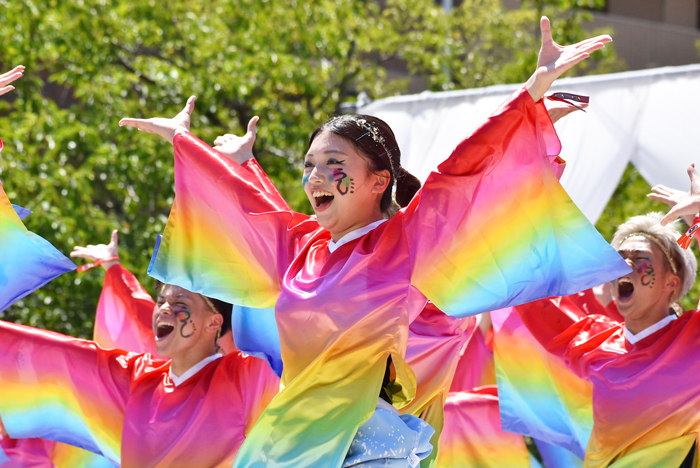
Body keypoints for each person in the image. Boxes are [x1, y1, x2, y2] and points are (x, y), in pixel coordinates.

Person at [119, 16, 623, 468]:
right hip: (290, 438)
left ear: (380, 182)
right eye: (309, 165)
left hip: (365, 442)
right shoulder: (302, 247)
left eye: (332, 165)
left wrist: (531, 93)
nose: (315, 177)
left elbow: (464, 171)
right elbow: (253, 212)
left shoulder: (404, 242)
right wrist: (186, 144)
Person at [0, 237, 280, 468]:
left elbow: (275, 321)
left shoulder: (244, 377)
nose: (165, 308)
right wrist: (113, 268)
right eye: (162, 300)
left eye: (180, 301)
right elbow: (60, 356)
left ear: (214, 322)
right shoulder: (138, 378)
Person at [513, 166, 700, 467]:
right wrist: (527, 189)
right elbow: (524, 278)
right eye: (619, 259)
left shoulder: (694, 339)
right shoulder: (593, 340)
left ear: (671, 283)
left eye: (639, 259)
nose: (624, 266)